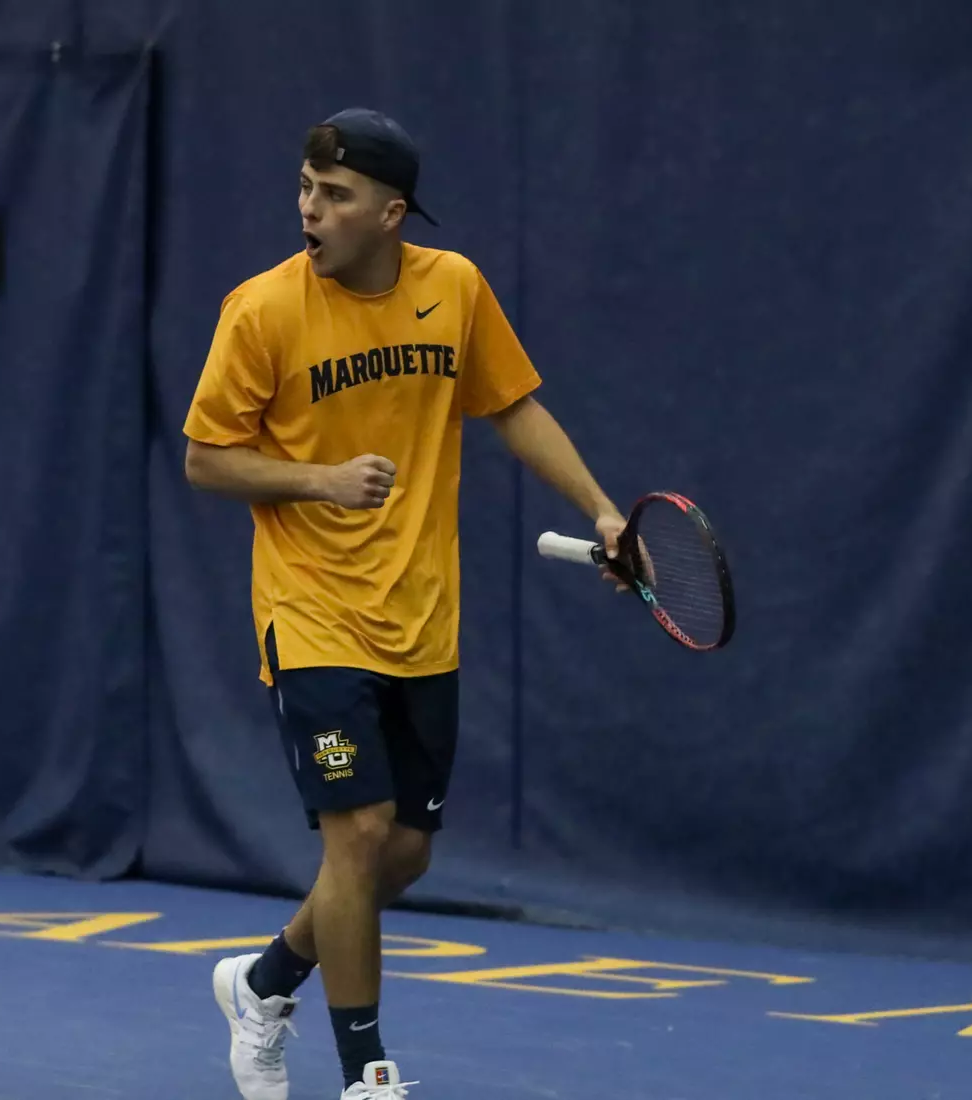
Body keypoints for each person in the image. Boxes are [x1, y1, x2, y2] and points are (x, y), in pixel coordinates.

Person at [182, 108, 632, 1100]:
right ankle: (367, 1072)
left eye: (336, 195)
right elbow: (206, 458)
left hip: (422, 617)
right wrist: (320, 480)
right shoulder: (261, 310)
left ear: (391, 214)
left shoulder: (454, 287)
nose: (310, 209)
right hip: (311, 608)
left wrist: (602, 511)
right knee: (355, 833)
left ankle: (263, 982)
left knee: (402, 854)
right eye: (306, 187)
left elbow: (513, 406)